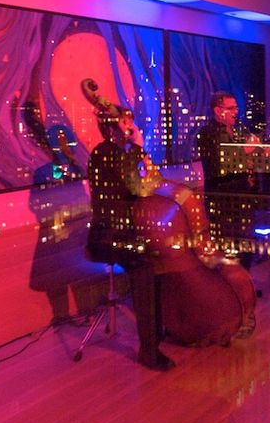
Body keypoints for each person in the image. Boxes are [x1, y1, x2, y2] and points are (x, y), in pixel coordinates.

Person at [86, 95, 174, 371]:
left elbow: (155, 181)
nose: (131, 127)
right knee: (145, 267)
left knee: (159, 258)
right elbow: (140, 188)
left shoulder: (125, 153)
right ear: (112, 127)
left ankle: (161, 330)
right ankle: (149, 350)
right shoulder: (104, 154)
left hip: (128, 233)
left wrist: (140, 152)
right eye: (127, 123)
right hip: (108, 236)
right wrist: (138, 148)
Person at [195, 91, 244, 185]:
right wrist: (245, 152)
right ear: (217, 111)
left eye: (236, 108)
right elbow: (217, 165)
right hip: (220, 189)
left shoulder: (239, 130)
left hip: (241, 187)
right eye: (231, 108)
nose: (236, 112)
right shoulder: (207, 133)